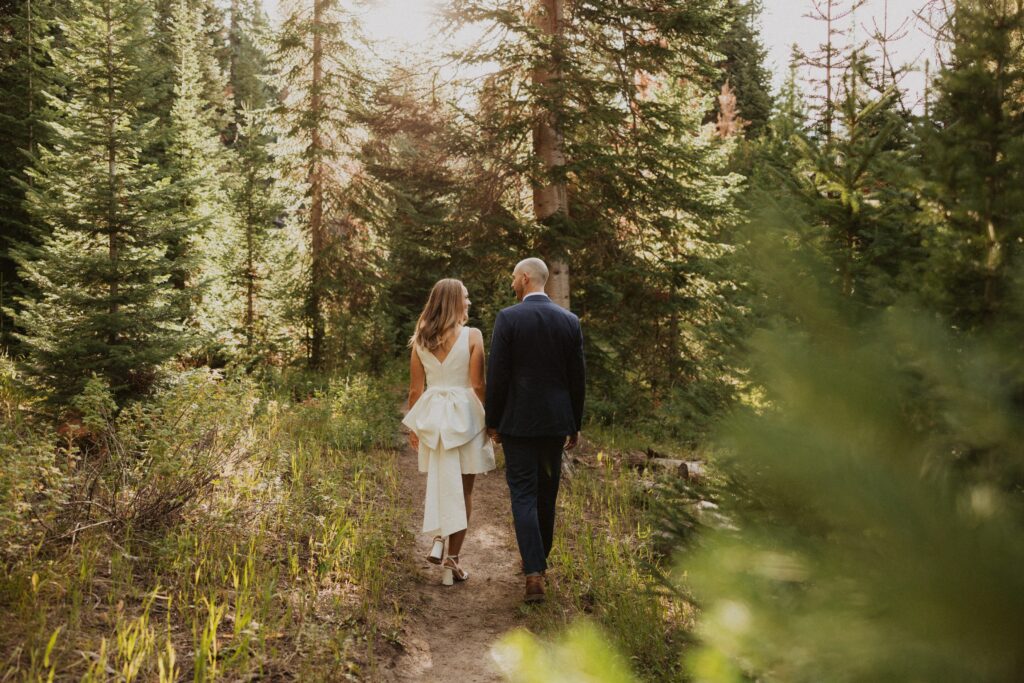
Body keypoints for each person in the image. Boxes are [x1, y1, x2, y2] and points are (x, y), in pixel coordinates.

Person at [485, 258, 586, 603]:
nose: (512, 282)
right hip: (556, 422)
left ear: (525, 278)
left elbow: (497, 375)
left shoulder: (509, 318)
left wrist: (492, 420)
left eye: (514, 277)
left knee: (523, 494)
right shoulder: (569, 321)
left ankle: (533, 571)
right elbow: (578, 379)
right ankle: (538, 563)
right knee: (547, 494)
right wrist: (575, 423)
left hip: (518, 422)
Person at [402, 279, 496, 585]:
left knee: (443, 482)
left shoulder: (420, 339)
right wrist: (491, 419)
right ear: (454, 301)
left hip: (434, 419)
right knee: (464, 490)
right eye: (466, 298)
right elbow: (478, 384)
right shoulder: (472, 335)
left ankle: (440, 538)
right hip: (465, 416)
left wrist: (414, 427)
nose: (469, 303)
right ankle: (452, 559)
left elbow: (416, 391)